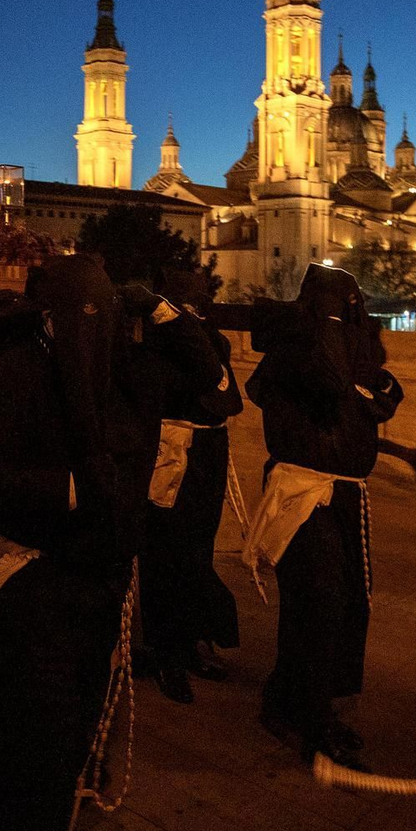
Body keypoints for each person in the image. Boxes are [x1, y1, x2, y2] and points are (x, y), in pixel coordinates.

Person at [0, 255, 150, 831]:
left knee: (81, 725)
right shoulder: (12, 373)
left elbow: (208, 389)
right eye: (79, 316)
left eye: (104, 315)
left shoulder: (119, 374)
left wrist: (167, 312)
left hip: (102, 579)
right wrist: (62, 489)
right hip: (37, 581)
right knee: (30, 733)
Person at [245, 263, 404, 771]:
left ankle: (304, 702)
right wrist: (330, 320)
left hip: (343, 494)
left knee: (348, 603)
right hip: (304, 494)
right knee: (320, 604)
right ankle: (306, 718)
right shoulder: (299, 349)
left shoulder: (340, 346)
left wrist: (380, 392)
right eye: (344, 304)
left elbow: (372, 392)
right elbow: (333, 383)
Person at [140, 268, 243, 703]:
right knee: (164, 551)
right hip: (173, 451)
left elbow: (227, 398)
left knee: (198, 547)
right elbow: (192, 384)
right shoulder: (156, 342)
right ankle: (165, 653)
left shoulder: (211, 339)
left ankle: (192, 641)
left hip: (207, 450)